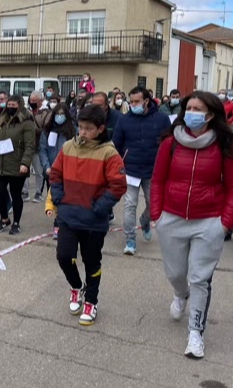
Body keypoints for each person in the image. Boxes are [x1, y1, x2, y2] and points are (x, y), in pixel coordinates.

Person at [151, 91, 233, 359]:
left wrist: (225, 224)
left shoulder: (225, 145)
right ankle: (181, 294)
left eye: (197, 108)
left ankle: (195, 333)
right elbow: (157, 180)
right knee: (176, 273)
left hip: (209, 221)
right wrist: (157, 215)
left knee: (200, 278)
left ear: (210, 115)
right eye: (188, 108)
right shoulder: (170, 143)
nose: (191, 112)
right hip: (172, 218)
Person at [46, 106, 127, 326]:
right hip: (68, 216)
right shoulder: (68, 147)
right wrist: (59, 197)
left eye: (88, 128)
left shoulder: (109, 153)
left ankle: (91, 301)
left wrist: (100, 207)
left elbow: (118, 185)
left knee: (92, 262)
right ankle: (76, 286)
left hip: (93, 220)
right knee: (64, 257)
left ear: (100, 129)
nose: (82, 132)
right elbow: (55, 174)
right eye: (80, 127)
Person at [112, 87, 172, 254]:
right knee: (129, 205)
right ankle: (130, 239)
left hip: (153, 171)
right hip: (130, 170)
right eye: (131, 101)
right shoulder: (124, 120)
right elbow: (116, 144)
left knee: (154, 205)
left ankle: (145, 221)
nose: (133, 104)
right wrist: (118, 165)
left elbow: (169, 144)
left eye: (136, 101)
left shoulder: (161, 119)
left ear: (146, 101)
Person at [0, 94, 36, 235]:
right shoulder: (2, 121)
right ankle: (4, 218)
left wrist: (25, 163)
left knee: (16, 195)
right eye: (9, 105)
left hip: (17, 164)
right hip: (0, 164)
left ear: (20, 106)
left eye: (14, 105)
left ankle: (16, 222)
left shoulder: (27, 123)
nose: (10, 107)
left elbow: (30, 145)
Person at [39, 103, 77, 239]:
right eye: (57, 114)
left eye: (62, 114)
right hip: (51, 171)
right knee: (54, 196)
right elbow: (42, 150)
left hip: (68, 171)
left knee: (66, 197)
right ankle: (57, 222)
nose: (59, 117)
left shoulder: (72, 131)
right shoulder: (47, 131)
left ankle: (61, 222)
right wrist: (46, 166)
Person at [24, 91, 50, 203]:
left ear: (41, 101)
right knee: (24, 170)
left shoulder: (46, 113)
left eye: (34, 100)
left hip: (38, 146)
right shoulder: (26, 111)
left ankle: (38, 192)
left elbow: (46, 128)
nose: (32, 102)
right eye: (31, 100)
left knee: (39, 171)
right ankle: (25, 192)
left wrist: (33, 129)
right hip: (26, 145)